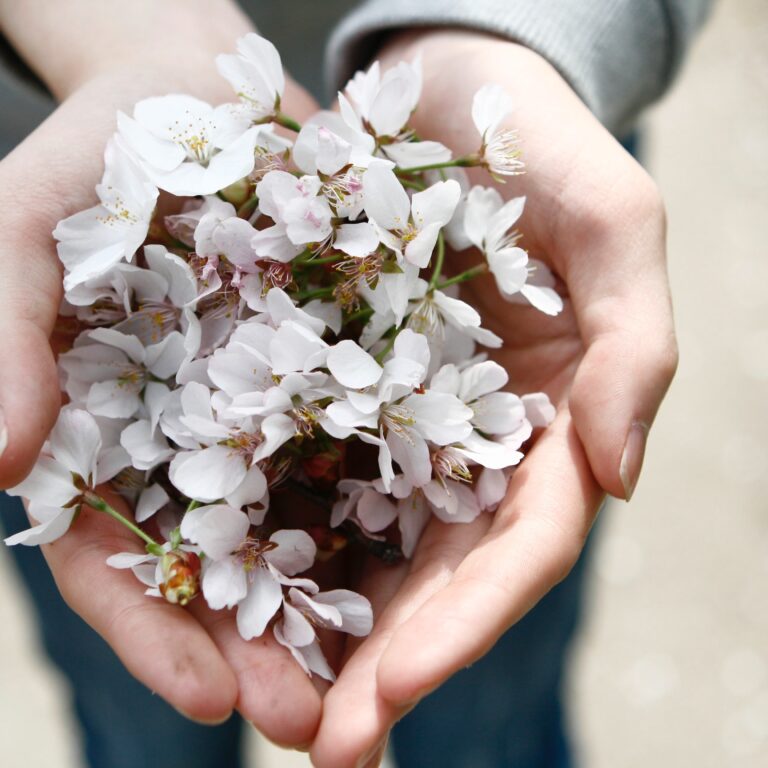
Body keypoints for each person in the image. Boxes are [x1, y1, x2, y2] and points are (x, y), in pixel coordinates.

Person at [0, 1, 712, 766]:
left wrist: (524, 33)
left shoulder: (423, 260)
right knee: (142, 726)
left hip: (503, 95)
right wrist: (120, 32)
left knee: (488, 724)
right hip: (71, 155)